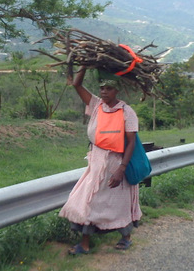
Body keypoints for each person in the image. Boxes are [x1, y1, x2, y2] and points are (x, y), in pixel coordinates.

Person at [59, 67, 142, 255]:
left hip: (117, 162)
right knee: (87, 200)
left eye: (108, 89)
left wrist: (121, 169)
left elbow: (131, 143)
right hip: (96, 161)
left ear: (117, 90)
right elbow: (76, 84)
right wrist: (84, 66)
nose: (104, 92)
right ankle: (85, 243)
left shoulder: (127, 112)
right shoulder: (97, 105)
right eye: (102, 88)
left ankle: (124, 237)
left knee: (119, 202)